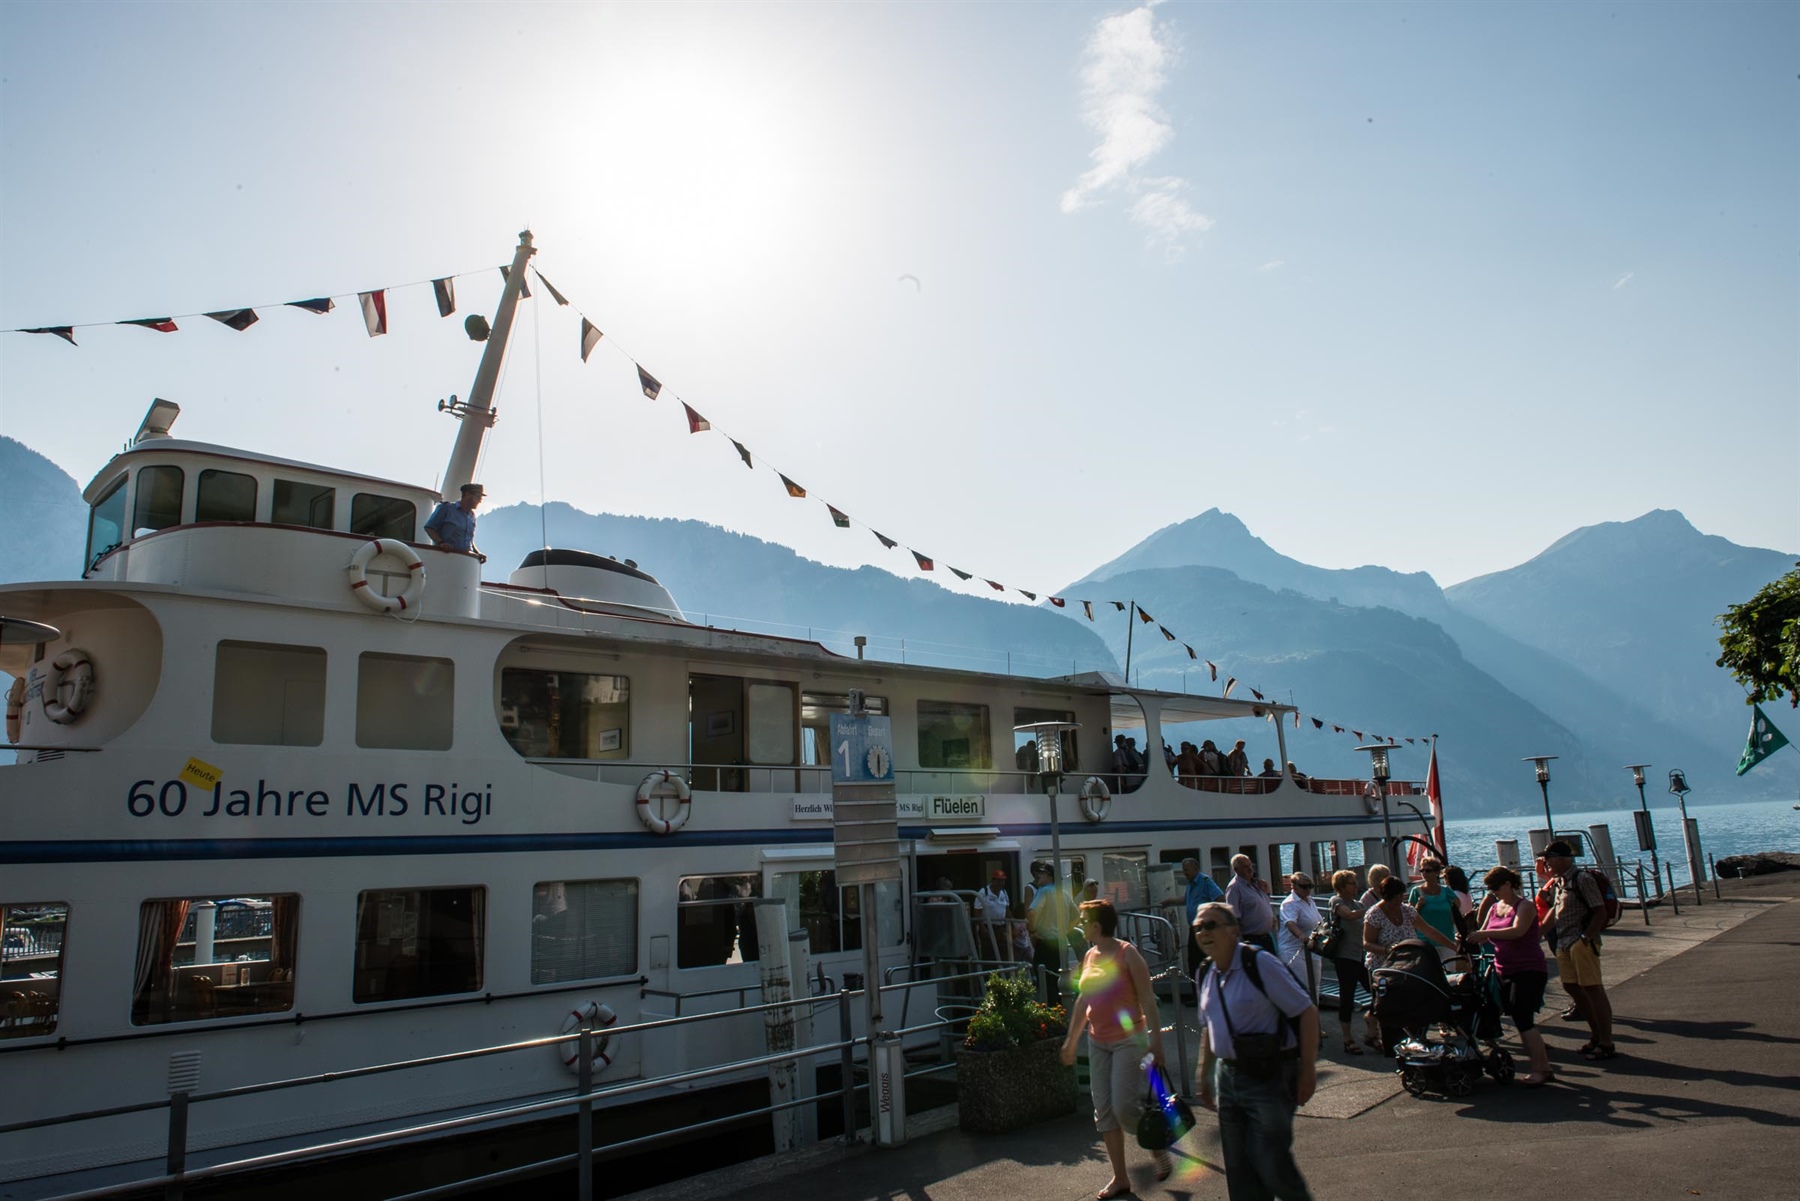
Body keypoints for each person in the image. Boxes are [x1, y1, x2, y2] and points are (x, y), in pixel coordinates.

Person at [1193, 901, 1318, 1201]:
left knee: (1271, 1163)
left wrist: (1308, 1069)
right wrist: (1204, 1072)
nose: (1203, 933)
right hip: (1229, 1076)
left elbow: (1307, 1012)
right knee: (1239, 1169)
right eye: (1198, 927)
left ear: (1234, 931)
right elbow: (1209, 1026)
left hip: (1270, 1075)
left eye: (1211, 925)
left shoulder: (1259, 962)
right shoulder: (1205, 972)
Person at [1060, 899, 1170, 1197]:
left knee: (1124, 1108)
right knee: (1105, 1111)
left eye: (1083, 921)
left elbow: (1148, 1000)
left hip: (1127, 1041)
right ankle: (1120, 1177)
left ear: (1097, 925)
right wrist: (1071, 1041)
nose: (1080, 925)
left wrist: (1156, 1042)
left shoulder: (1127, 954)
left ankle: (1155, 1142)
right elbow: (1084, 1001)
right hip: (1098, 1042)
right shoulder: (1090, 956)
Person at [1466, 865, 1555, 1085]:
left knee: (1522, 1016)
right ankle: (1541, 1065)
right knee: (1510, 1014)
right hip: (1502, 969)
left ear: (1508, 884)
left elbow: (1518, 931)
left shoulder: (1524, 906)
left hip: (1528, 969)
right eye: (1489, 888)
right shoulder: (1496, 907)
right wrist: (1469, 936)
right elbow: (1484, 934)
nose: (1492, 891)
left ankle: (1541, 1068)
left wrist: (1485, 933)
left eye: (1495, 887)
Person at [1362, 875, 1459, 1052]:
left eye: (1402, 896)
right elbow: (1367, 943)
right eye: (1397, 897)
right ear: (1388, 896)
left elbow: (1429, 931)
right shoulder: (1374, 914)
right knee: (1385, 1004)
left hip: (1407, 965)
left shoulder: (1408, 911)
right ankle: (1383, 1036)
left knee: (1409, 1000)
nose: (1401, 900)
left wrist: (1452, 946)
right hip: (1382, 966)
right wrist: (1387, 949)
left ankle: (1413, 1035)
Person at [1544, 839, 1615, 1061]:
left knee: (1593, 988)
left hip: (1580, 940)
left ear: (1562, 859)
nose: (1546, 863)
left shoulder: (1581, 879)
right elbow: (1555, 912)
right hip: (1564, 941)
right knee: (1571, 986)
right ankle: (1595, 1035)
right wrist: (1535, 932)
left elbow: (1599, 912)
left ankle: (1606, 1041)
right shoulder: (1558, 882)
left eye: (1549, 859)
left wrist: (1585, 938)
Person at [1327, 869, 1377, 1054]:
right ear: (1341, 886)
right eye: (1352, 883)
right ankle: (1347, 1038)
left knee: (1377, 992)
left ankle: (1372, 1029)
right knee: (1347, 997)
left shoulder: (1357, 903)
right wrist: (1372, 909)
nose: (1356, 886)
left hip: (1361, 956)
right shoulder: (1337, 901)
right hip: (1345, 957)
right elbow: (1348, 915)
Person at [1028, 861, 1074, 1004]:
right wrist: (1066, 929)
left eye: (1041, 873)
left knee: (1046, 982)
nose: (1038, 876)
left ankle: (1051, 1017)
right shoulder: (1064, 894)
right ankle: (1062, 1014)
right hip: (1061, 944)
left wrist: (1033, 931)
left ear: (1049, 876)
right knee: (1059, 982)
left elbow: (1032, 912)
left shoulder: (1044, 891)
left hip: (1046, 944)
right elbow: (1077, 914)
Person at [1407, 859, 1464, 964]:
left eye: (1428, 870)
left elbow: (1457, 909)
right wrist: (1418, 906)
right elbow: (1410, 917)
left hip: (1446, 939)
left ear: (1437, 872)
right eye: (1422, 870)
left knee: (1449, 970)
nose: (1424, 873)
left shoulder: (1446, 891)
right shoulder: (1416, 892)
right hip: (1425, 941)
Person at [1277, 873, 1322, 1004]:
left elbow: (1317, 920)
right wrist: (1301, 936)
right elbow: (1290, 922)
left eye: (1310, 886)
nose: (1308, 889)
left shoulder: (1310, 900)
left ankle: (1314, 1018)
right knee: (1302, 986)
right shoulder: (1289, 903)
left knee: (1316, 986)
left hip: (1312, 949)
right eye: (1304, 886)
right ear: (1294, 886)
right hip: (1294, 950)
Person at [1182, 857, 1226, 988]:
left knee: (1204, 960)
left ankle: (1208, 989)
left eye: (1187, 870)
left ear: (1195, 869)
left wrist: (1211, 918)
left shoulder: (1205, 882)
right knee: (1193, 961)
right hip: (1193, 928)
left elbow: (1220, 898)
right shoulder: (1190, 884)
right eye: (1184, 870)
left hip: (1204, 928)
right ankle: (1196, 994)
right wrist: (1169, 902)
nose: (1184, 873)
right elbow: (1186, 900)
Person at [1226, 854, 1276, 953]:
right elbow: (1234, 919)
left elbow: (1262, 904)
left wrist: (1267, 892)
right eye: (1245, 867)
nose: (1250, 869)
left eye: (1250, 865)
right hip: (1252, 940)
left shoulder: (1256, 884)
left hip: (1267, 937)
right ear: (1236, 870)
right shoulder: (1234, 888)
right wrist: (1242, 945)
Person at [423, 482, 485, 558]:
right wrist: (441, 543)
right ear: (467, 494)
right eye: (478, 497)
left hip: (464, 559)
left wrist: (477, 553)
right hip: (445, 556)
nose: (480, 501)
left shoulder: (472, 516)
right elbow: (429, 528)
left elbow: (468, 539)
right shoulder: (446, 508)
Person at [974, 870, 1010, 960]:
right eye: (998, 881)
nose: (1000, 884)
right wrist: (982, 928)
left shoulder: (1004, 893)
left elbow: (1007, 909)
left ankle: (1003, 972)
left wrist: (1013, 925)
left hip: (1001, 927)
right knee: (989, 953)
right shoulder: (983, 892)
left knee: (1003, 952)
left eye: (1002, 881)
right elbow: (977, 912)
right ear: (993, 881)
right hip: (988, 926)